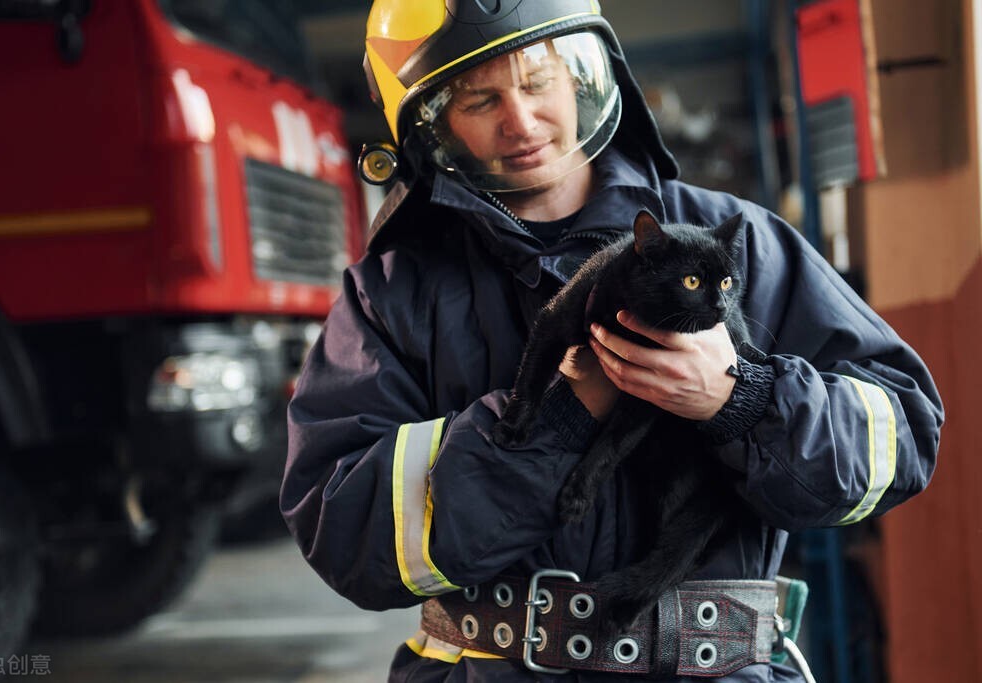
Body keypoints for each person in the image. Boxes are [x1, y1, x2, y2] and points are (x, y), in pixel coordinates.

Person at [280, 1, 943, 681]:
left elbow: (906, 432)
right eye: (479, 99)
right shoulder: (394, 294)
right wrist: (559, 413)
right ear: (429, 127)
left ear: (585, 77)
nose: (522, 121)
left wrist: (740, 398)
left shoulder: (734, 238)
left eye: (539, 81)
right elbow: (341, 529)